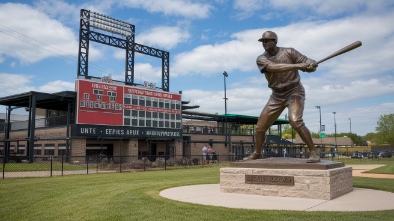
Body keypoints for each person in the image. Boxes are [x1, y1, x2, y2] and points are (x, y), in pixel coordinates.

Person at [246, 31, 320, 163]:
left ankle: (314, 152)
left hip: (294, 91)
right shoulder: (261, 59)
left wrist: (310, 64)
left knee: (295, 121)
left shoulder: (289, 52)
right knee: (260, 128)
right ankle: (257, 153)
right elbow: (273, 67)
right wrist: (298, 66)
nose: (264, 44)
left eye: (267, 41)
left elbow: (306, 62)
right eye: (262, 41)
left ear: (275, 41)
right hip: (276, 95)